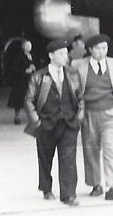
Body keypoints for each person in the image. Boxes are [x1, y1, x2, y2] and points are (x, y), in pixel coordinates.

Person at [24, 39, 82, 206]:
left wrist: (78, 116)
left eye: (66, 53)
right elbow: (29, 100)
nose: (65, 56)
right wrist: (37, 122)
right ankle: (46, 188)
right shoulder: (39, 76)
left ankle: (69, 194)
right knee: (45, 158)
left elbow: (80, 97)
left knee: (69, 159)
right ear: (51, 55)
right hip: (46, 124)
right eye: (61, 53)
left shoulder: (71, 74)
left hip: (69, 123)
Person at [71, 34, 113, 200]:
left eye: (104, 48)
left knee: (111, 149)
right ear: (90, 49)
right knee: (91, 149)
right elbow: (73, 90)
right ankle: (95, 184)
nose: (102, 51)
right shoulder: (78, 66)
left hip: (111, 113)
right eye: (98, 48)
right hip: (89, 112)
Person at [7, 39, 36, 124]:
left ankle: (32, 116)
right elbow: (14, 68)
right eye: (27, 45)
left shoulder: (32, 55)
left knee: (31, 99)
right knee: (19, 100)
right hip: (21, 80)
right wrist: (25, 71)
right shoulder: (19, 56)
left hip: (30, 80)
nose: (29, 47)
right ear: (23, 47)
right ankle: (17, 116)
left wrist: (34, 68)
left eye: (30, 45)